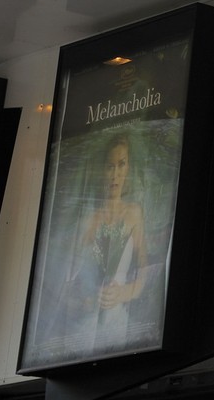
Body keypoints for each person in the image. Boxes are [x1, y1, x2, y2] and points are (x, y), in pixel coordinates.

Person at [70, 133, 146, 353]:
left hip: (117, 321)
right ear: (102, 171)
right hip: (85, 322)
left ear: (128, 168)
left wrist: (126, 292)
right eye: (109, 166)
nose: (115, 174)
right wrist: (85, 301)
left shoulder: (134, 214)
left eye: (121, 165)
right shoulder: (88, 220)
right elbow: (68, 277)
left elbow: (145, 269)